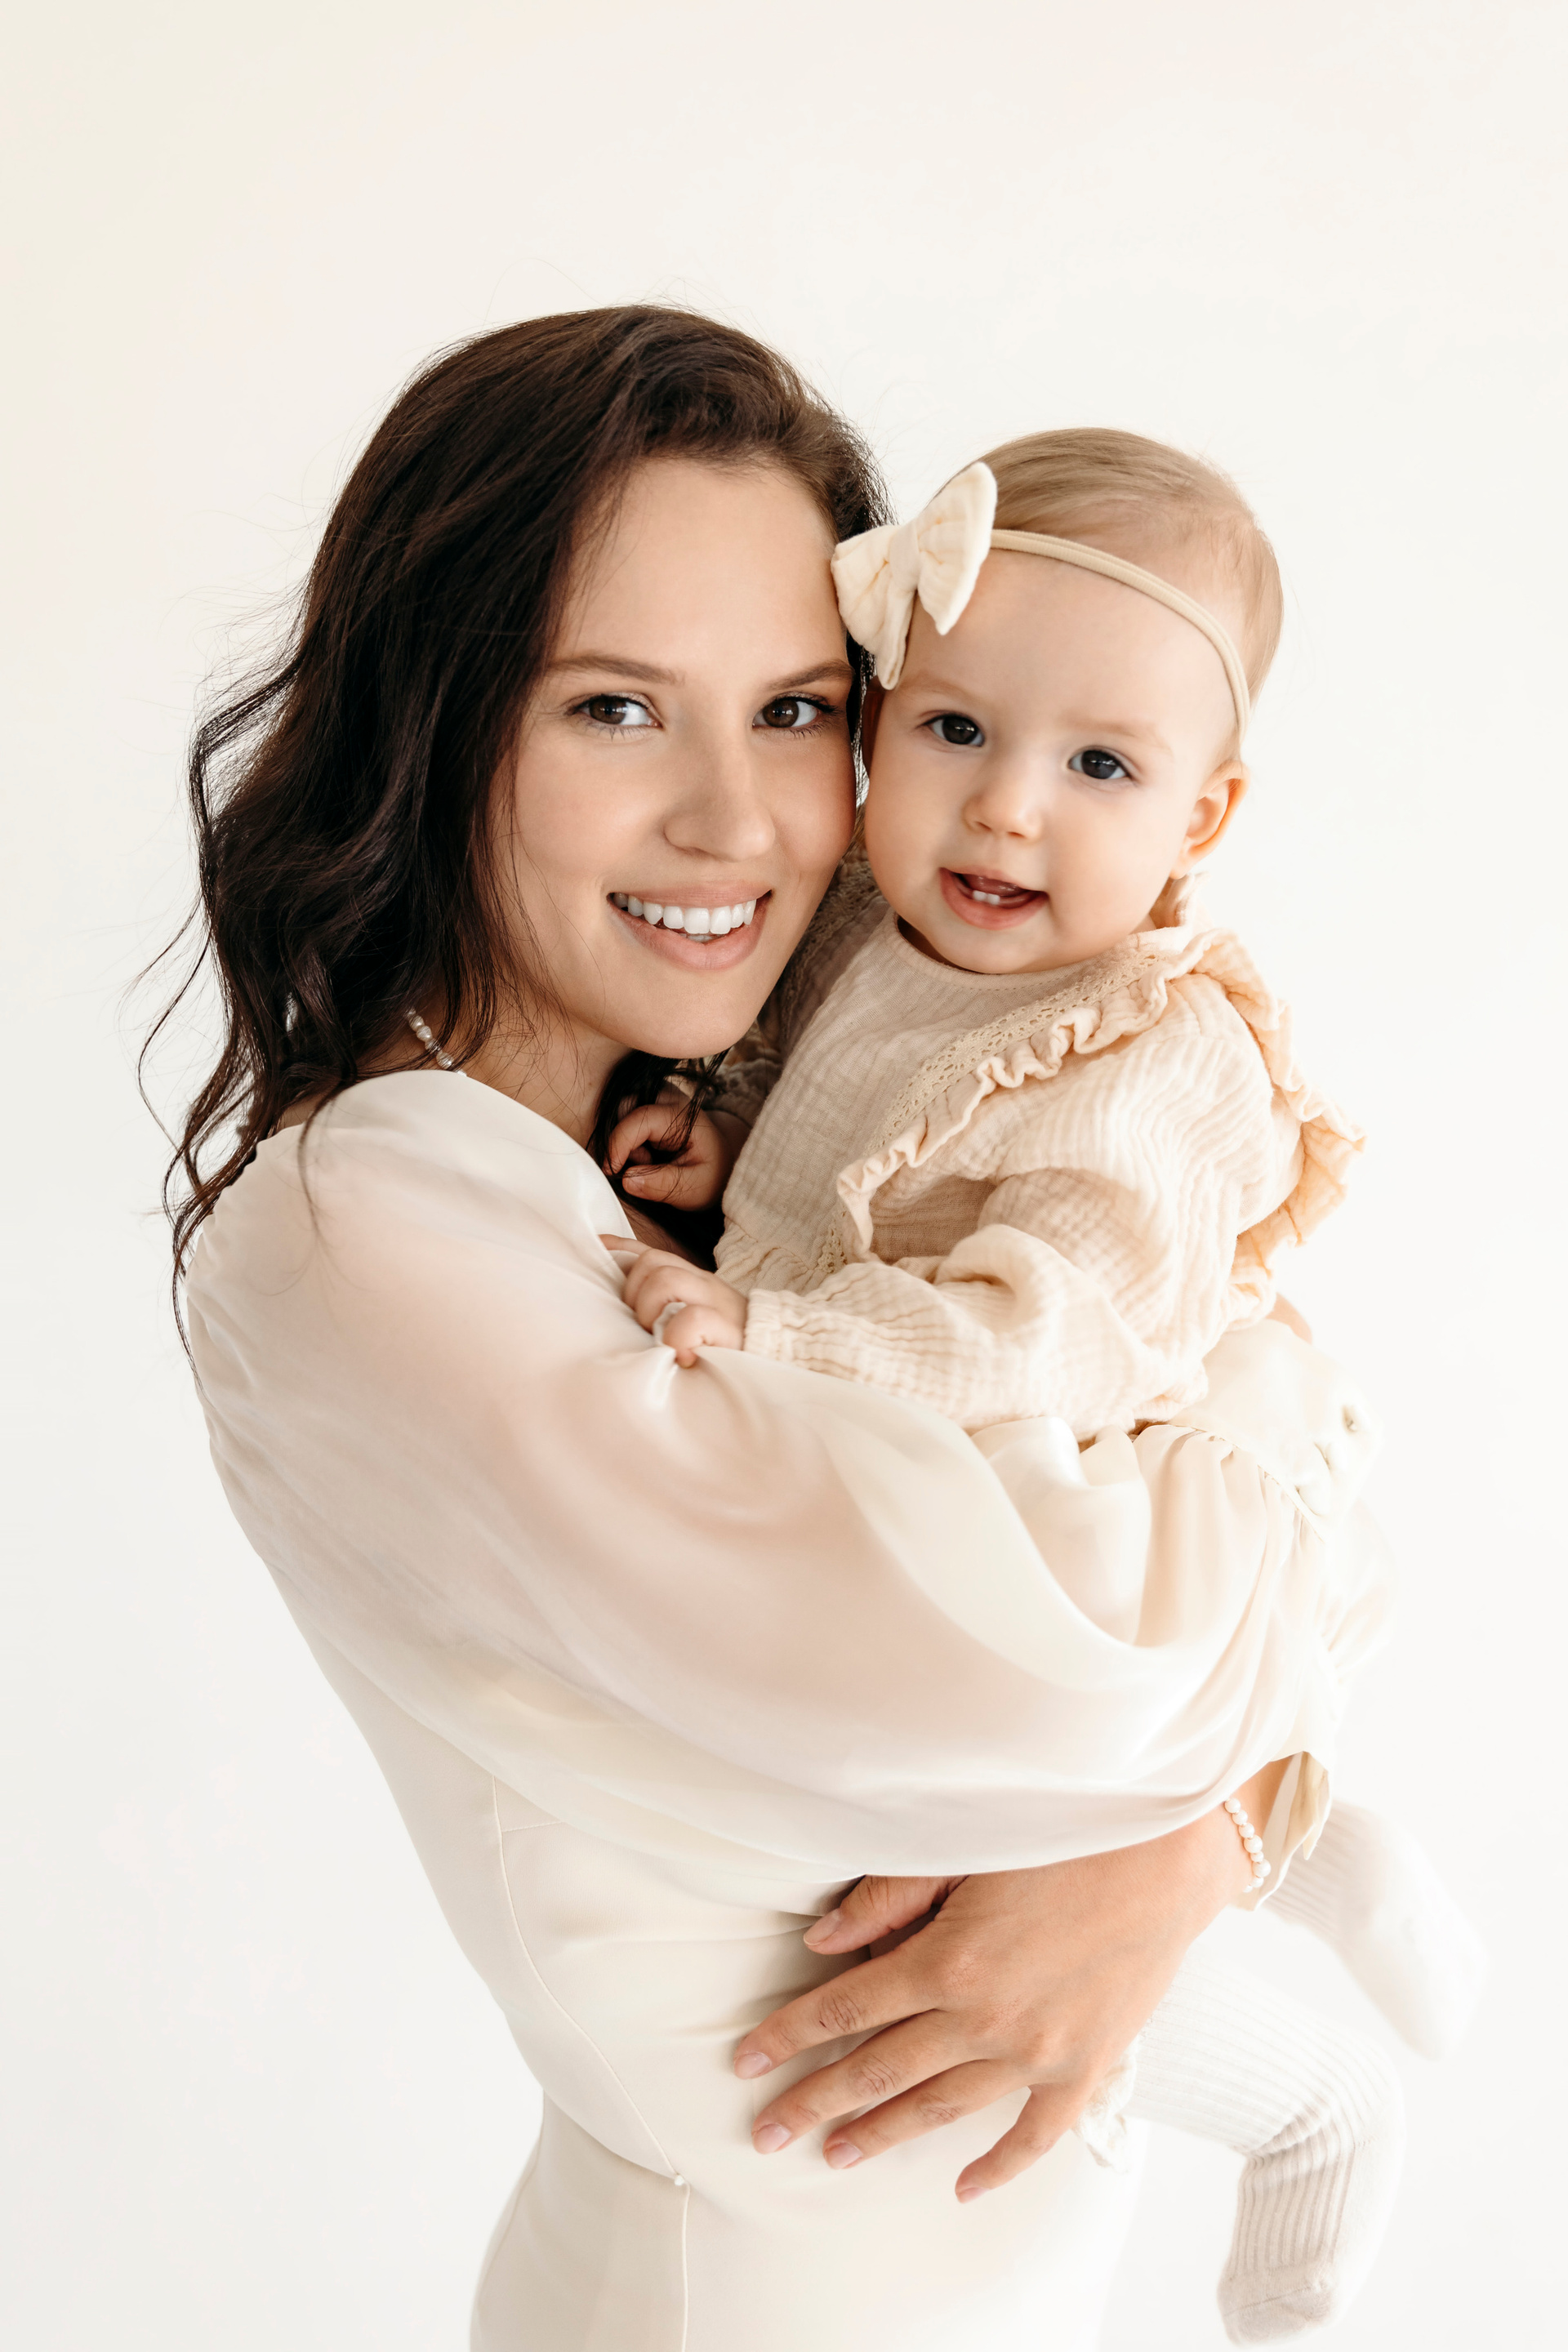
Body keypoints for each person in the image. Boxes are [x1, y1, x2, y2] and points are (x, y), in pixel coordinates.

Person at [167, 307, 1395, 2351]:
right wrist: (1206, 1814)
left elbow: (1168, 1438)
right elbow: (1085, 1668)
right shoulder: (376, 1223)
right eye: (615, 710)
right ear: (434, 725)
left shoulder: (702, 1172)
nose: (739, 823)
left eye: (800, 709)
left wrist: (1200, 1834)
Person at [608, 434, 1486, 2336]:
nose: (1006, 809)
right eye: (954, 731)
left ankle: (1317, 2078)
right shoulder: (868, 927)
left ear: (1202, 814)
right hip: (902, 1455)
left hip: (1062, 1475)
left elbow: (1045, 1332)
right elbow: (846, 1131)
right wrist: (726, 1156)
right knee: (895, 1866)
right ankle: (1310, 1857)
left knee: (972, 1877)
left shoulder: (1161, 1054)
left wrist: (788, 1334)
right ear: (876, 730)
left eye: (1100, 767)